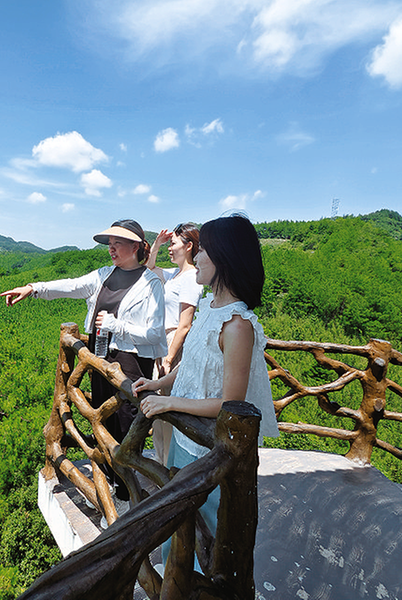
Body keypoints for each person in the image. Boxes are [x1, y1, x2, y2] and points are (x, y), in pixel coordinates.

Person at [132, 213, 278, 565]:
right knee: (177, 527)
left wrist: (170, 402)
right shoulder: (211, 307)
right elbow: (194, 361)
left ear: (224, 257)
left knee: (202, 536)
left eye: (204, 250)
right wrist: (160, 383)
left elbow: (232, 402)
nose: (196, 257)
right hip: (188, 442)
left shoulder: (238, 324)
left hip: (211, 451)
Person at [1, 219, 167, 500]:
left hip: (131, 365)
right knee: (103, 424)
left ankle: (127, 496)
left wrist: (118, 326)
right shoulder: (104, 275)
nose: (111, 249)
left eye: (118, 244)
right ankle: (112, 488)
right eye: (110, 244)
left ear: (136, 246)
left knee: (125, 428)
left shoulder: (151, 284)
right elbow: (71, 285)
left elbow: (155, 334)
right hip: (100, 361)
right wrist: (33, 288)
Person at [145, 223, 204, 464]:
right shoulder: (174, 275)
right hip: (163, 342)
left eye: (173, 243)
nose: (170, 248)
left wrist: (169, 358)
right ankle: (162, 461)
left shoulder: (191, 278)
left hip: (173, 344)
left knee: (167, 405)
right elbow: (148, 270)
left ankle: (170, 467)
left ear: (188, 246)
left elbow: (185, 324)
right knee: (158, 404)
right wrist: (157, 244)